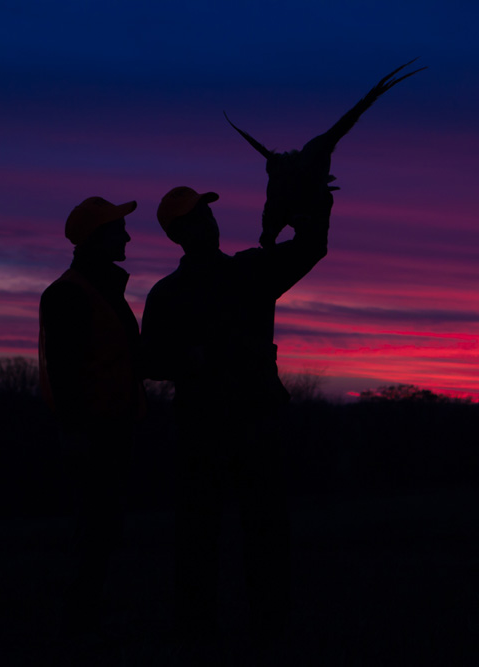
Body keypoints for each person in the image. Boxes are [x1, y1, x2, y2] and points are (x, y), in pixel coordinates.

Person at [142, 185, 331, 655]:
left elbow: (312, 247)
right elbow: (150, 362)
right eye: (193, 218)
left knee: (264, 531)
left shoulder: (251, 269)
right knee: (198, 534)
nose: (206, 222)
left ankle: (269, 629)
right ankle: (197, 631)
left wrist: (311, 200)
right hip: (201, 428)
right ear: (176, 234)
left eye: (207, 214)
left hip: (254, 423)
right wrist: (196, 359)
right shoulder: (167, 293)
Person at [38, 196, 146, 635]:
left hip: (114, 428)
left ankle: (89, 614)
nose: (127, 235)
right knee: (92, 528)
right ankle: (80, 621)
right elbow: (64, 373)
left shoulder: (103, 290)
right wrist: (77, 432)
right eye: (118, 229)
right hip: (94, 433)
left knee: (105, 527)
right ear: (97, 238)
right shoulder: (69, 294)